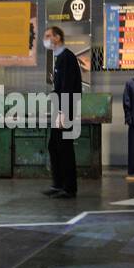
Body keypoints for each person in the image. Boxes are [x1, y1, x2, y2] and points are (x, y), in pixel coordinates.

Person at [43, 25, 82, 198]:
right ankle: (58, 184)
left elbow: (67, 87)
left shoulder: (67, 58)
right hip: (60, 107)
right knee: (54, 146)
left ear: (57, 37)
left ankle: (69, 187)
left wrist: (63, 112)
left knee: (64, 147)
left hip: (66, 108)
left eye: (48, 35)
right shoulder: (59, 58)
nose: (46, 39)